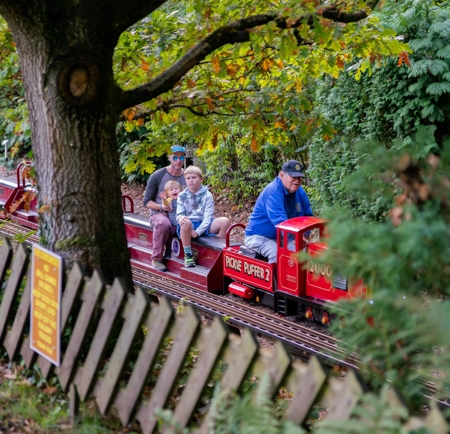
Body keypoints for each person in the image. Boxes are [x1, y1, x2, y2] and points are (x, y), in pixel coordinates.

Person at [244, 160, 313, 264]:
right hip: (259, 236)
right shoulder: (273, 192)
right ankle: (275, 280)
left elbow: (308, 216)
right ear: (281, 175)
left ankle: (301, 280)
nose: (297, 181)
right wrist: (295, 238)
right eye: (293, 177)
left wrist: (305, 235)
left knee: (305, 253)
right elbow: (281, 222)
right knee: (277, 254)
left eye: (299, 178)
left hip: (283, 237)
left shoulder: (300, 191)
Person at [143, 145, 187, 272]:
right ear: (169, 158)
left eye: (181, 157)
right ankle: (157, 259)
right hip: (160, 213)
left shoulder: (188, 175)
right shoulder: (157, 175)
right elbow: (146, 202)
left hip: (182, 211)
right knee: (163, 223)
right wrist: (161, 206)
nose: (178, 160)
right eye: (175, 157)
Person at [176, 165, 230, 267]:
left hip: (204, 223)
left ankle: (218, 252)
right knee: (185, 222)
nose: (191, 181)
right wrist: (181, 218)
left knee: (225, 221)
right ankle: (188, 254)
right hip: (189, 225)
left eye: (194, 178)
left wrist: (199, 231)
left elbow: (208, 217)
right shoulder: (182, 195)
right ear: (185, 180)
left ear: (201, 179)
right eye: (188, 178)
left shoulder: (207, 195)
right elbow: (179, 214)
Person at [159, 180, 182, 258]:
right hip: (174, 223)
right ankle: (168, 250)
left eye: (176, 189)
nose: (174, 191)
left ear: (180, 190)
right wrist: (164, 199)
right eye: (171, 190)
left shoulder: (183, 199)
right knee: (170, 233)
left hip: (182, 222)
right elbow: (166, 205)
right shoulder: (169, 200)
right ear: (167, 194)